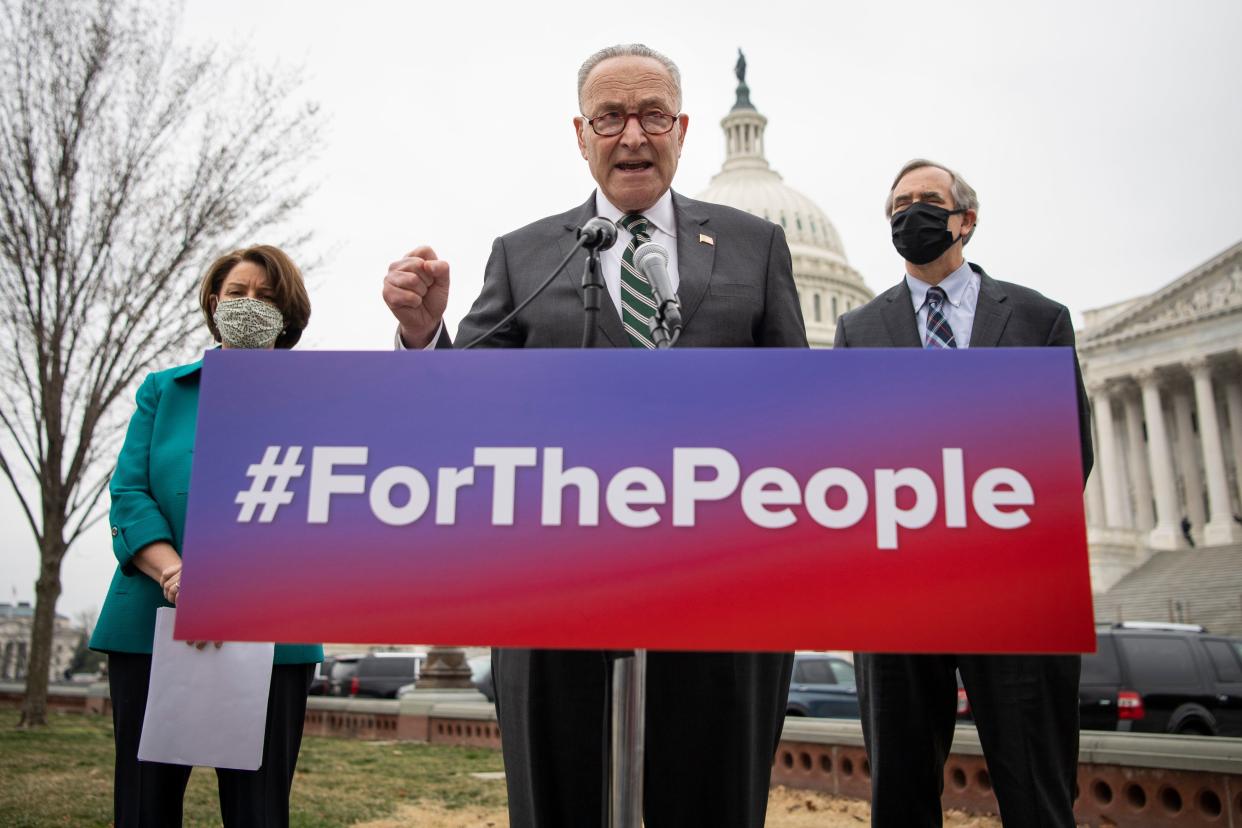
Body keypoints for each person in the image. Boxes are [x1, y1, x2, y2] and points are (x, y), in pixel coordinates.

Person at [382, 43, 806, 828]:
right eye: (611, 117)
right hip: (555, 592)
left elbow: (805, 413)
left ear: (682, 129)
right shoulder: (525, 254)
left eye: (651, 115)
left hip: (725, 594)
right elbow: (459, 406)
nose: (632, 136)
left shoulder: (756, 245)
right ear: (581, 135)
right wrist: (424, 334)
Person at [834, 159, 1094, 828]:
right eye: (897, 204)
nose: (908, 213)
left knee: (1036, 785)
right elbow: (843, 456)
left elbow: (1072, 446)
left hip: (1013, 586)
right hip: (898, 591)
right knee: (902, 792)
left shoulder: (1037, 317)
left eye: (926, 200)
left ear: (965, 220)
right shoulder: (858, 331)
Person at [90, 245, 322, 828]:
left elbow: (328, 504)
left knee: (259, 810)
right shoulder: (163, 391)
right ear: (214, 303)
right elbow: (130, 493)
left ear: (288, 311)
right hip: (151, 625)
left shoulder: (321, 397)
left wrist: (232, 583)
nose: (249, 305)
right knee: (144, 807)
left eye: (266, 296)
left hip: (273, 630)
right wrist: (176, 572)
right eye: (238, 293)